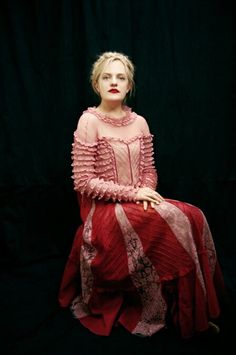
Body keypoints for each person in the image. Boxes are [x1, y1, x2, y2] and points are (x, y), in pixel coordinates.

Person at [58, 51, 225, 338]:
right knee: (178, 221)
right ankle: (188, 319)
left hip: (139, 200)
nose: (114, 82)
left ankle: (193, 311)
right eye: (107, 77)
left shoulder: (140, 122)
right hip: (104, 210)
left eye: (121, 77)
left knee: (194, 216)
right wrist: (135, 193)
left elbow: (149, 170)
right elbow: (84, 182)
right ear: (96, 84)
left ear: (129, 85)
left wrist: (145, 190)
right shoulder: (89, 121)